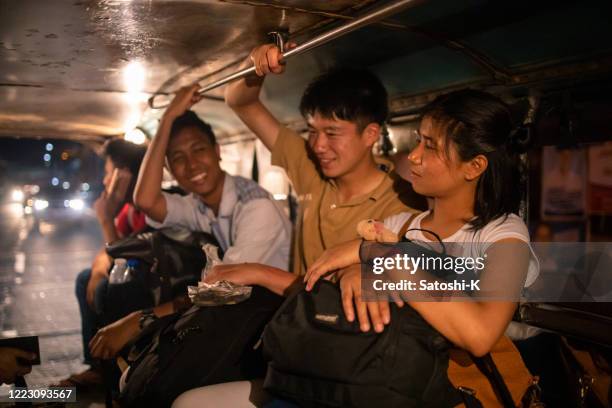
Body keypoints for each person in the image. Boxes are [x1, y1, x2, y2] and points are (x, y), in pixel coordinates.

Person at [304, 89, 540, 405]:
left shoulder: (504, 235)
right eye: (418, 140)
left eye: (430, 146)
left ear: (474, 167)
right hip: (398, 380)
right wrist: (353, 273)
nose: (413, 155)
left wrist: (378, 255)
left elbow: (480, 334)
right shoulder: (402, 224)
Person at [87, 87, 292, 360]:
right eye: (178, 158)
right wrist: (168, 117)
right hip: (233, 310)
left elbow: (218, 291)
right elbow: (147, 201)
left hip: (267, 324)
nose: (192, 165)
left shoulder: (255, 208)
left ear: (218, 151)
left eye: (199, 150)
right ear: (169, 169)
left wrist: (139, 320)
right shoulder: (200, 203)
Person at [208, 43, 426, 297]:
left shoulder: (403, 208)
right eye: (312, 131)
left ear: (370, 135)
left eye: (332, 133)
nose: (319, 145)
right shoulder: (311, 167)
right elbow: (239, 101)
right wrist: (255, 64)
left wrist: (259, 273)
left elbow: (342, 295)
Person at [54, 140, 147, 389]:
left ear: (124, 174)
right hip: (134, 282)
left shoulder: (149, 208)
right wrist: (97, 270)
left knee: (112, 290)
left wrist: (106, 218)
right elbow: (107, 252)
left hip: (151, 291)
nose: (105, 181)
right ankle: (97, 365)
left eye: (108, 174)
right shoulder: (129, 209)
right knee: (87, 277)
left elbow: (123, 255)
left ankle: (116, 372)